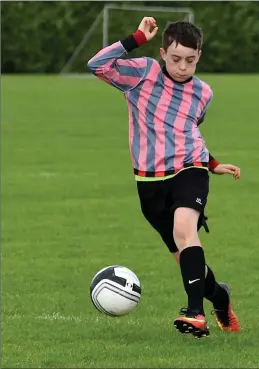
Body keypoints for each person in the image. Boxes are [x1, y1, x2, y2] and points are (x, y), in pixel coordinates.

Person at [87, 17, 240, 338]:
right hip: (149, 182)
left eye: (191, 60)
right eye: (175, 59)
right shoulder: (141, 72)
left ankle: (196, 313)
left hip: (189, 170)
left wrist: (210, 164)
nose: (183, 67)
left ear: (199, 56)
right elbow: (97, 65)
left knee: (186, 231)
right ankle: (219, 297)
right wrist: (136, 38)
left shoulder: (203, 92)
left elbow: (188, 130)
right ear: (162, 53)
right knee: (187, 259)